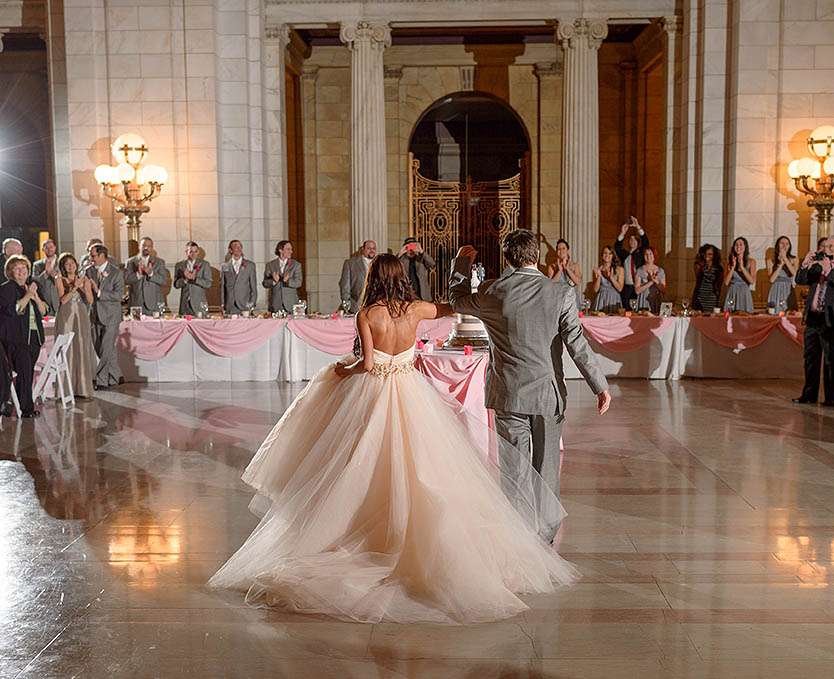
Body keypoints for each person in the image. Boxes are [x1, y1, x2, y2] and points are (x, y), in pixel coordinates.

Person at [209, 253, 580, 624]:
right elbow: (453, 307)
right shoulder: (416, 309)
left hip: (373, 394)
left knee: (361, 464)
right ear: (401, 277)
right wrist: (464, 275)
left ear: (373, 279)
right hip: (410, 390)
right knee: (422, 465)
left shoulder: (368, 314)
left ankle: (361, 530)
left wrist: (342, 369)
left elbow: (368, 364)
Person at [450, 230, 611, 543]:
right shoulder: (561, 293)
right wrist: (599, 385)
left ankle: (521, 539)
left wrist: (461, 265)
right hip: (548, 396)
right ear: (537, 255)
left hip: (509, 394)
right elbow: (577, 344)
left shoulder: (493, 291)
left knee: (515, 471)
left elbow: (456, 301)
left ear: (507, 257)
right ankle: (546, 538)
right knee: (547, 470)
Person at [792, 235, 834, 406]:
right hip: (813, 318)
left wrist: (829, 270)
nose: (830, 249)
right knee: (810, 359)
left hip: (833, 321)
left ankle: (831, 398)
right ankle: (809, 395)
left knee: (831, 359)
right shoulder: (816, 268)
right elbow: (800, 280)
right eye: (827, 246)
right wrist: (805, 264)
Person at [0, 255, 46, 417]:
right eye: (17, 269)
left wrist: (35, 296)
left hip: (34, 337)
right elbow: (13, 310)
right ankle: (26, 409)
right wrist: (28, 296)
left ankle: (20, 403)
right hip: (16, 339)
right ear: (11, 272)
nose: (21, 272)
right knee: (25, 372)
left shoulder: (31, 287)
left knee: (27, 372)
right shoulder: (7, 288)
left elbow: (43, 311)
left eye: (24, 269)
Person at [53, 253, 96, 398]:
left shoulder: (84, 279)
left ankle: (83, 388)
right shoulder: (60, 279)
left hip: (81, 316)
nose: (71, 266)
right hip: (66, 316)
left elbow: (90, 300)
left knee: (82, 348)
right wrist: (74, 287)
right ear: (63, 267)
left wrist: (83, 287)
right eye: (67, 264)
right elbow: (63, 300)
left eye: (72, 263)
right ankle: (65, 389)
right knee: (66, 349)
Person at [88, 245, 123, 390]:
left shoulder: (116, 273)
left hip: (111, 316)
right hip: (95, 314)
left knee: (106, 347)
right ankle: (116, 375)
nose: (91, 259)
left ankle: (101, 380)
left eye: (93, 256)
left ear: (102, 256)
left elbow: (119, 296)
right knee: (99, 347)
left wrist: (99, 292)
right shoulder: (89, 271)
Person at [125, 237, 168, 315]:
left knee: (155, 327)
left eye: (149, 246)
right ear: (139, 246)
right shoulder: (130, 262)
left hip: (155, 304)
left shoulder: (159, 262)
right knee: (136, 327)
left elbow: (164, 281)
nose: (146, 248)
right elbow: (126, 280)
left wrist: (151, 274)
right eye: (144, 245)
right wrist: (138, 274)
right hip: (136, 303)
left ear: (152, 248)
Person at [614, 217, 650, 310]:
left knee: (638, 309)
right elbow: (617, 247)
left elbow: (646, 242)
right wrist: (623, 232)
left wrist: (638, 227)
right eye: (630, 240)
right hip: (627, 286)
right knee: (627, 309)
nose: (632, 241)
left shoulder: (640, 253)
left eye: (634, 240)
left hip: (638, 285)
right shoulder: (625, 254)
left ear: (638, 243)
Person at [262, 240, 302, 314]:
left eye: (291, 249)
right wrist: (273, 281)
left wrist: (287, 281)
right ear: (280, 250)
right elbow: (265, 283)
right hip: (275, 304)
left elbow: (298, 283)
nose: (291, 251)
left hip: (291, 304)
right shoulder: (270, 265)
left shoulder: (296, 265)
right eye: (288, 249)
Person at [173, 241, 212, 315]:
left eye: (195, 251)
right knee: (184, 326)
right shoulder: (179, 265)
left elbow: (208, 284)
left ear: (198, 252)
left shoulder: (205, 264)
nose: (193, 254)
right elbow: (176, 285)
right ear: (186, 252)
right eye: (191, 251)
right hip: (185, 305)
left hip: (199, 305)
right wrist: (185, 279)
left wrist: (195, 279)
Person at [221, 239, 257, 315]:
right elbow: (222, 287)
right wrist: (222, 304)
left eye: (240, 246)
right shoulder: (225, 266)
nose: (238, 248)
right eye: (235, 246)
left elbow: (253, 287)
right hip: (230, 305)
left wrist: (252, 304)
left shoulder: (250, 265)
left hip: (245, 306)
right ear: (230, 250)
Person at [339, 240, 376, 311]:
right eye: (369, 248)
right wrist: (347, 304)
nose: (372, 250)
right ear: (363, 249)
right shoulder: (350, 263)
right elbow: (345, 285)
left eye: (373, 248)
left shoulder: (379, 263)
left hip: (375, 306)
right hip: (357, 305)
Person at [546, 239, 583, 310]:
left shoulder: (575, 265)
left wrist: (567, 269)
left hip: (572, 298)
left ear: (567, 250)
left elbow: (578, 282)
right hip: (558, 298)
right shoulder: (552, 266)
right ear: (557, 251)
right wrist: (559, 271)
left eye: (563, 248)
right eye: (559, 249)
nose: (561, 251)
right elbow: (550, 285)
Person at [723, 236, 756, 312]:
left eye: (741, 244)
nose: (738, 247)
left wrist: (742, 267)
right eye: (736, 244)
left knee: (745, 317)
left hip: (744, 293)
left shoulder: (751, 261)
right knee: (731, 317)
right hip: (732, 292)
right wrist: (732, 268)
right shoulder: (729, 263)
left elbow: (752, 281)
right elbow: (726, 282)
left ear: (745, 247)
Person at [398, 237, 436, 301]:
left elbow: (432, 264)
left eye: (413, 246)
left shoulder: (421, 258)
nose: (411, 249)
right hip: (406, 294)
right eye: (409, 246)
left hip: (421, 293)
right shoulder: (402, 259)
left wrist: (421, 251)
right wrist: (400, 254)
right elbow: (393, 267)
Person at [767, 236, 799, 312]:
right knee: (774, 313)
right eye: (782, 243)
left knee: (789, 313)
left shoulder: (794, 259)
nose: (784, 245)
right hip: (776, 289)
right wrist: (780, 265)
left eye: (787, 244)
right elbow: (771, 280)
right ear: (778, 245)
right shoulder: (770, 260)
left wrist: (785, 258)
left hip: (788, 289)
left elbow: (794, 273)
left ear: (789, 246)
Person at [691, 243, 724, 313]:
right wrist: (701, 263)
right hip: (699, 297)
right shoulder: (699, 265)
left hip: (712, 298)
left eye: (710, 254)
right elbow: (697, 277)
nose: (707, 256)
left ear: (714, 255)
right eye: (705, 253)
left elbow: (719, 285)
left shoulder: (718, 268)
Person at [32, 239, 61, 316]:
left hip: (60, 301)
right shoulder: (37, 265)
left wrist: (53, 274)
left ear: (55, 247)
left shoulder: (62, 262)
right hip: (45, 303)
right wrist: (45, 273)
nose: (49, 249)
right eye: (46, 247)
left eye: (51, 247)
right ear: (43, 249)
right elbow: (35, 282)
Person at [633, 247, 666, 314]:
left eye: (650, 254)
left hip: (656, 300)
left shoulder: (661, 271)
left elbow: (663, 290)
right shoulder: (639, 270)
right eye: (646, 254)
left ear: (654, 255)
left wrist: (656, 282)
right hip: (643, 300)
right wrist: (650, 282)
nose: (648, 256)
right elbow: (637, 291)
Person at [592, 245, 624, 313]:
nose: (607, 255)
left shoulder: (619, 269)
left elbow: (620, 288)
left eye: (610, 253)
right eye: (605, 253)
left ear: (613, 255)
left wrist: (611, 278)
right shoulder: (597, 270)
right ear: (602, 255)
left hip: (614, 299)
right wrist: (599, 276)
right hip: (601, 299)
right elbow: (595, 289)